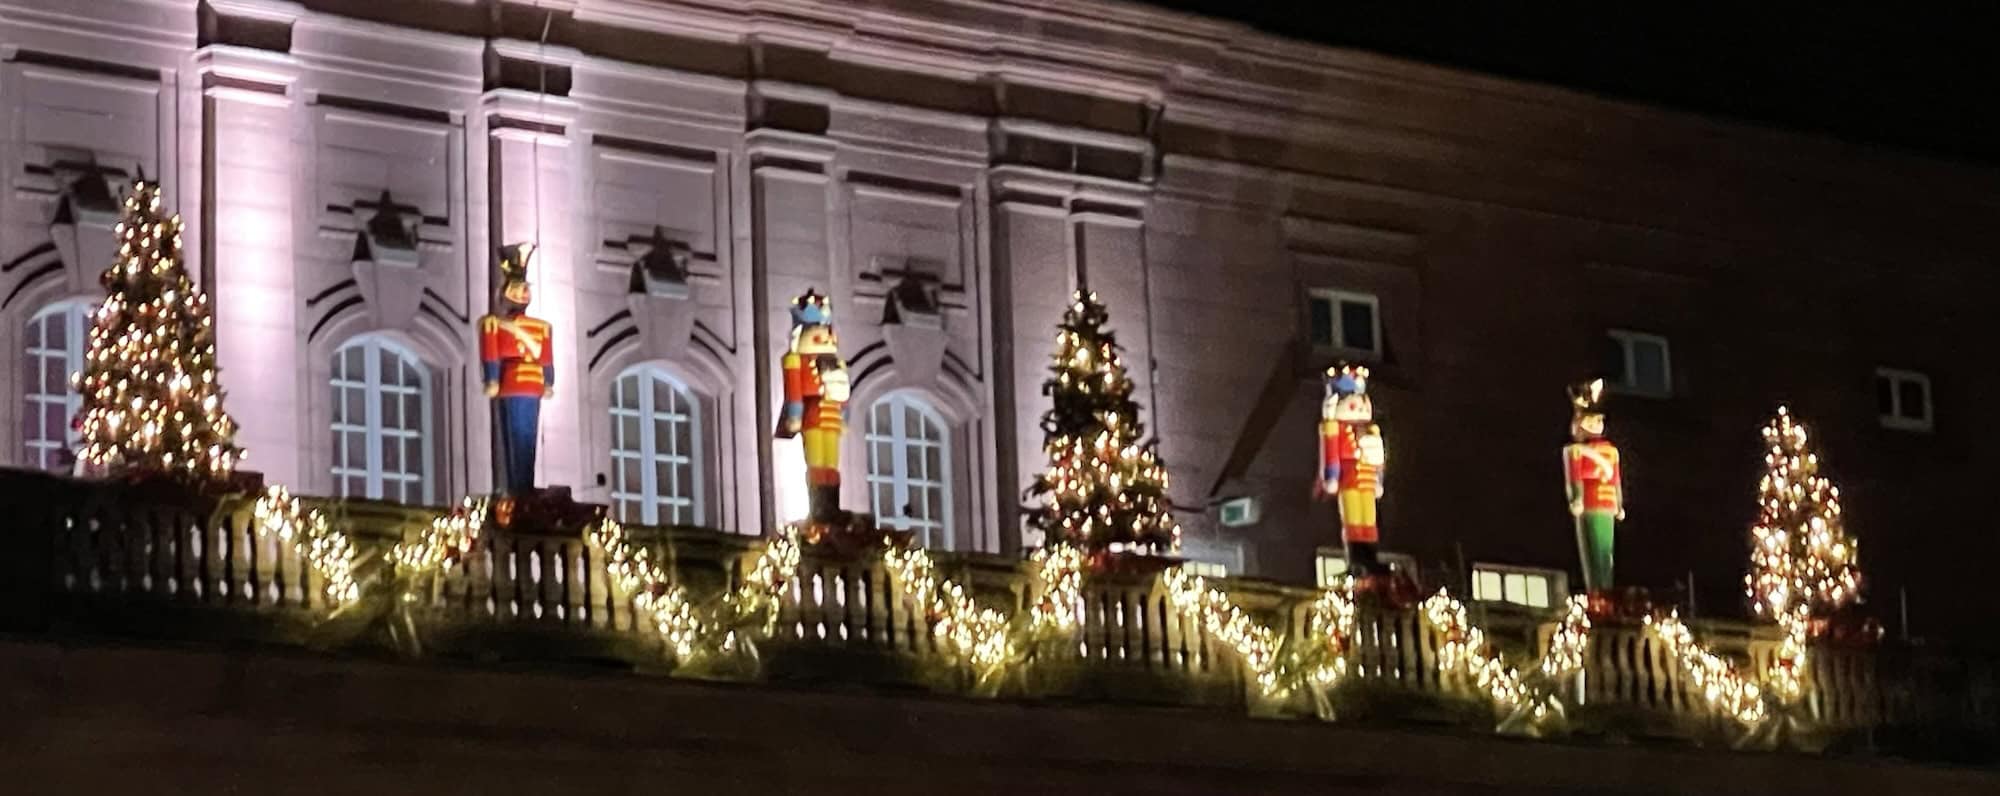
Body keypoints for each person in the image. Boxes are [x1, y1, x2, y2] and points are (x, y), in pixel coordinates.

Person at [480, 243, 554, 493]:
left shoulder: (495, 325)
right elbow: (546, 361)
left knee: (517, 438)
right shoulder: (541, 327)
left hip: (512, 383)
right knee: (522, 438)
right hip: (529, 384)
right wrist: (547, 382)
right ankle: (520, 488)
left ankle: (520, 489)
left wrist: (492, 380)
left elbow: (492, 355)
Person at [776, 290, 850, 522]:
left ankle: (832, 506)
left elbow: (843, 395)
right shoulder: (799, 361)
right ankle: (819, 507)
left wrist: (844, 416)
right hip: (813, 416)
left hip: (832, 417)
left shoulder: (837, 364)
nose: (827, 338)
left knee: (831, 463)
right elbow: (795, 392)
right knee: (817, 461)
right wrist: (795, 414)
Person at [1564, 379, 1623, 592]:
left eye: (1598, 420)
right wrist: (1576, 497)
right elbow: (1575, 477)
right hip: (1588, 502)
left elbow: (1615, 478)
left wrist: (1619, 503)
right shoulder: (1576, 451)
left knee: (1605, 552)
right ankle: (1595, 591)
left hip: (1606, 503)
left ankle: (1605, 590)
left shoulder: (1611, 451)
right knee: (1591, 552)